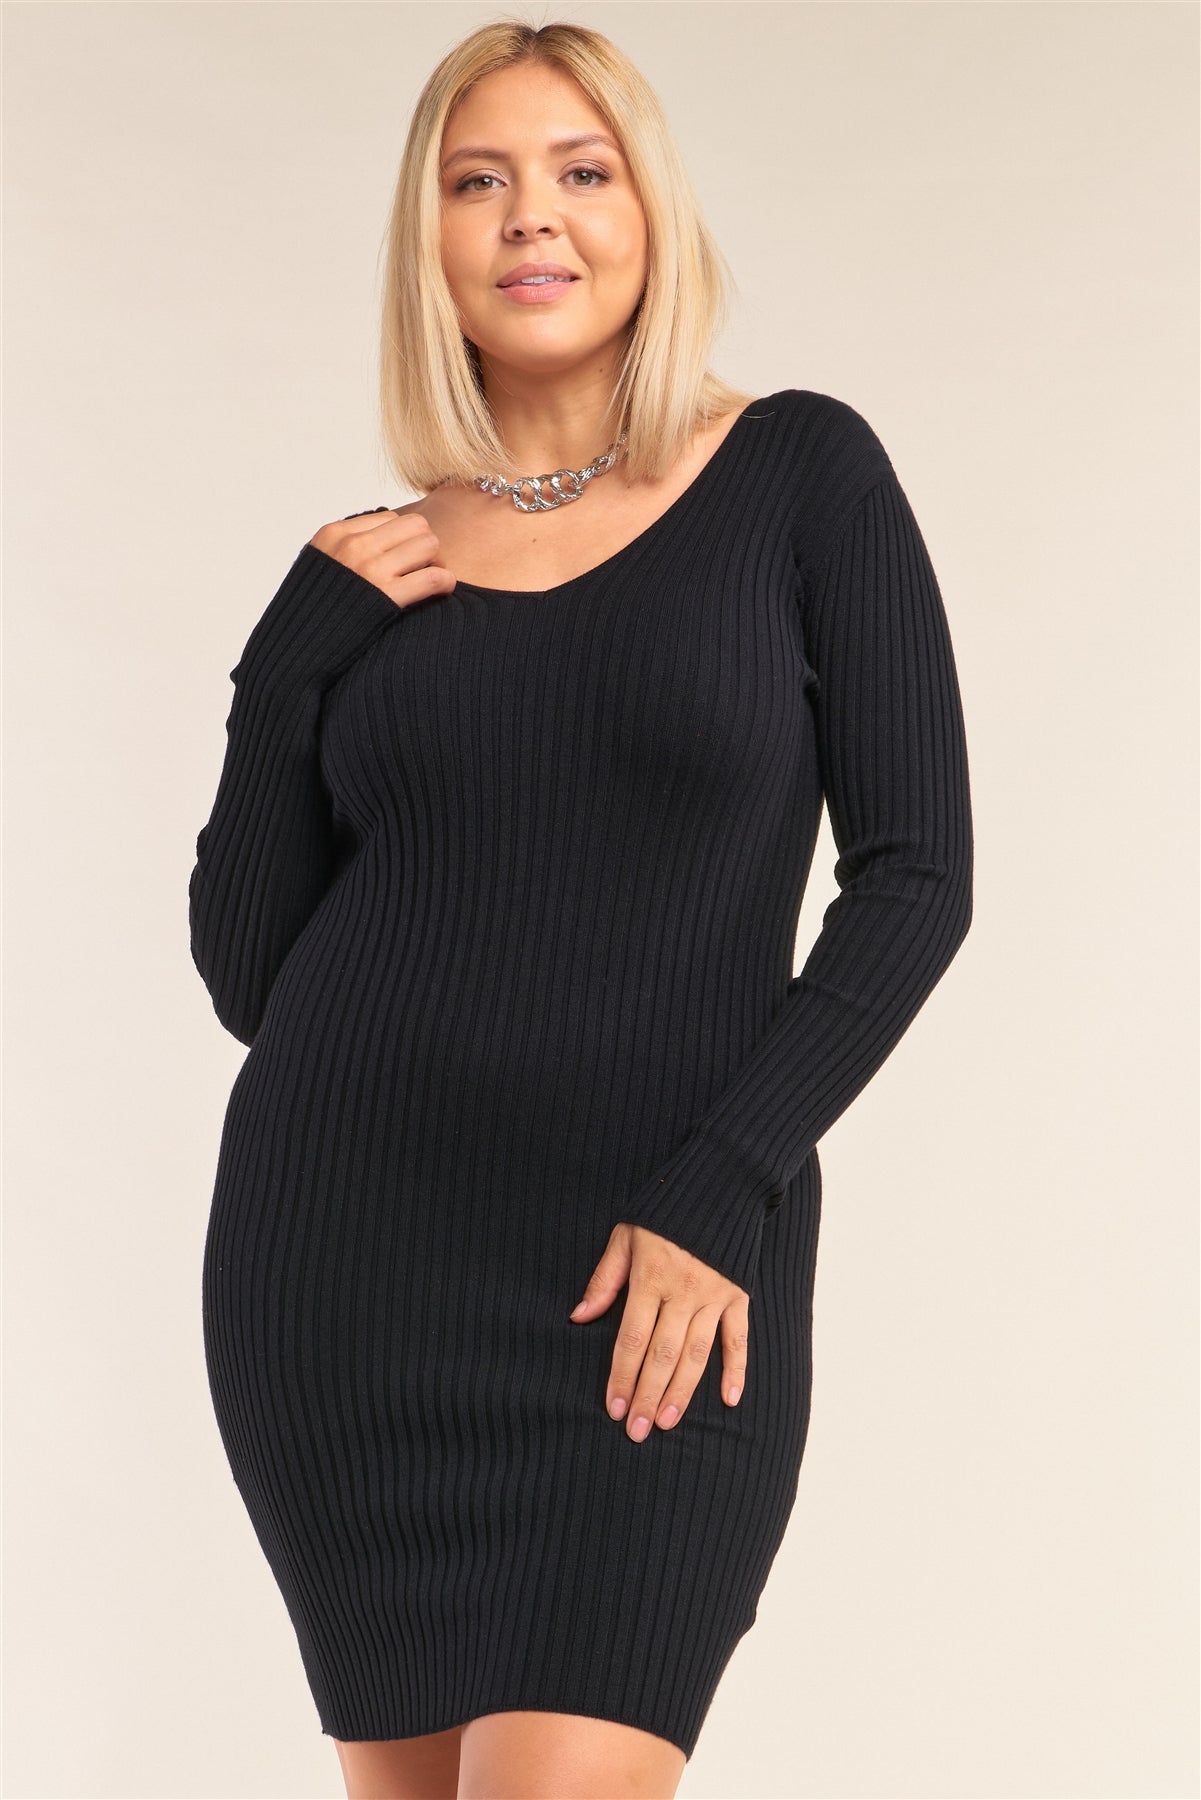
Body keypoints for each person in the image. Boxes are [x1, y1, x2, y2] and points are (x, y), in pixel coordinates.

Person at [188, 19, 974, 1800]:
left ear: (648, 213)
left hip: (653, 1279)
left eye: (579, 171)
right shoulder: (373, 573)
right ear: (430, 238)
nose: (529, 216)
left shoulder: (796, 473)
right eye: (477, 181)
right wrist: (284, 674)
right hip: (344, 1285)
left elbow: (917, 877)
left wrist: (720, 1186)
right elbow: (252, 983)